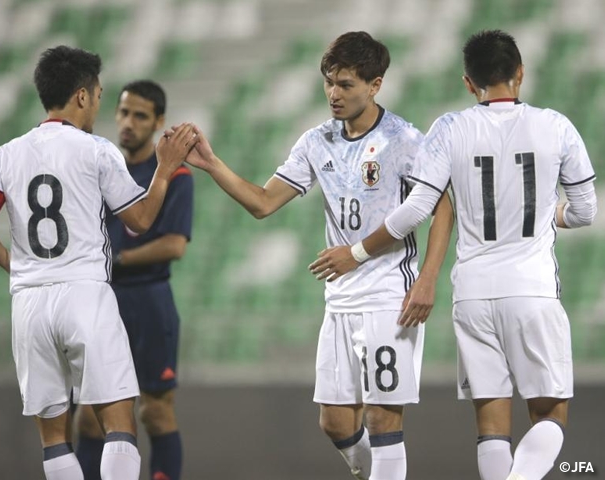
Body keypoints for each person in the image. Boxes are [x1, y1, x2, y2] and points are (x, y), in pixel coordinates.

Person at [310, 29, 597, 480]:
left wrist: (358, 251)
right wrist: (548, 214)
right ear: (520, 73)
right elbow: (585, 212)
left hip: (473, 295)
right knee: (550, 414)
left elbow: (418, 209)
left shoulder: (450, 128)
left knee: (491, 427)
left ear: (468, 82)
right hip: (533, 288)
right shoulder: (555, 126)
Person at [177, 31, 454, 480]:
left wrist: (428, 278)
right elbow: (263, 203)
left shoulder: (405, 141)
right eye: (329, 82)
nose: (333, 93)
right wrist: (212, 164)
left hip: (389, 297)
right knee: (335, 421)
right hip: (340, 299)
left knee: (384, 420)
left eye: (346, 84)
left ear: (375, 85)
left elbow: (442, 204)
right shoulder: (316, 141)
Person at [0, 46, 198, 480]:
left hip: (29, 304)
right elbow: (141, 220)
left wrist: (17, 267)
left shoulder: (6, 154)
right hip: (85, 294)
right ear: (82, 96)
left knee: (55, 436)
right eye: (99, 94)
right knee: (119, 424)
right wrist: (164, 169)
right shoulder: (96, 150)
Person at [74, 80, 193, 480]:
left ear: (158, 122)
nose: (128, 122)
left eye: (140, 115)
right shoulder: (101, 168)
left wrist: (116, 259)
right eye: (123, 112)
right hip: (102, 301)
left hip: (148, 301)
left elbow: (174, 245)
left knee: (155, 412)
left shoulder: (174, 177)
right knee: (90, 418)